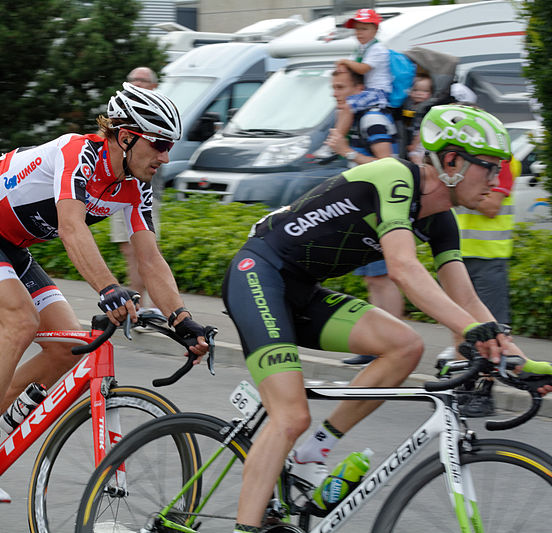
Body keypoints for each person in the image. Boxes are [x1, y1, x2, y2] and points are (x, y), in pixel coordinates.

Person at [222, 104, 552, 532]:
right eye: (488, 167)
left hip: (301, 291)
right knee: (290, 416)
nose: (495, 180)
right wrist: (470, 332)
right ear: (451, 161)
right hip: (259, 275)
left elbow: (466, 297)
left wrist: (516, 359)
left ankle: (313, 452)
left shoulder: (441, 221)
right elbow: (403, 267)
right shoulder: (393, 177)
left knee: (406, 346)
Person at [0, 82, 212, 501]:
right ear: (126, 136)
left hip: (11, 247)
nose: (165, 157)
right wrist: (109, 289)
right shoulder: (77, 154)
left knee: (69, 346)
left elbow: (150, 260)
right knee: (20, 321)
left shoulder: (136, 185)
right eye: (157, 145)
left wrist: (181, 318)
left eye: (168, 146)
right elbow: (71, 227)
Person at [324, 66, 405, 364]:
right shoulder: (357, 117)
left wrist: (347, 151)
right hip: (366, 209)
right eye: (333, 87)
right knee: (373, 280)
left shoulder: (371, 118)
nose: (336, 93)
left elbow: (389, 164)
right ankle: (378, 346)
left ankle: (394, 344)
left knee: (384, 278)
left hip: (383, 209)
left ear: (359, 89)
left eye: (341, 87)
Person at [436, 158, 516, 417]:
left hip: (489, 256)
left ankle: (484, 393)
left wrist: (457, 193)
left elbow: (492, 206)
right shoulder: (464, 166)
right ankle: (464, 387)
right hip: (459, 254)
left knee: (492, 328)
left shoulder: (502, 164)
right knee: (461, 327)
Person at [110, 67, 164, 318]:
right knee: (128, 247)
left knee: (145, 247)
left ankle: (146, 302)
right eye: (133, 80)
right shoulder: (121, 114)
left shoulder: (160, 112)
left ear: (154, 86)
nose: (137, 84)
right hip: (118, 190)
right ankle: (137, 301)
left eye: (142, 81)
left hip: (144, 191)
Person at [332, 8, 392, 144]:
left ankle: (335, 142)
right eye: (357, 29)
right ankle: (343, 138)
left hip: (378, 92)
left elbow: (362, 69)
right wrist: (343, 65)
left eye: (364, 29)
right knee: (340, 109)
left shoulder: (378, 49)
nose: (359, 33)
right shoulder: (360, 49)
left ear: (375, 30)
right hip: (366, 91)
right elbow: (350, 68)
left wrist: (344, 61)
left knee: (348, 105)